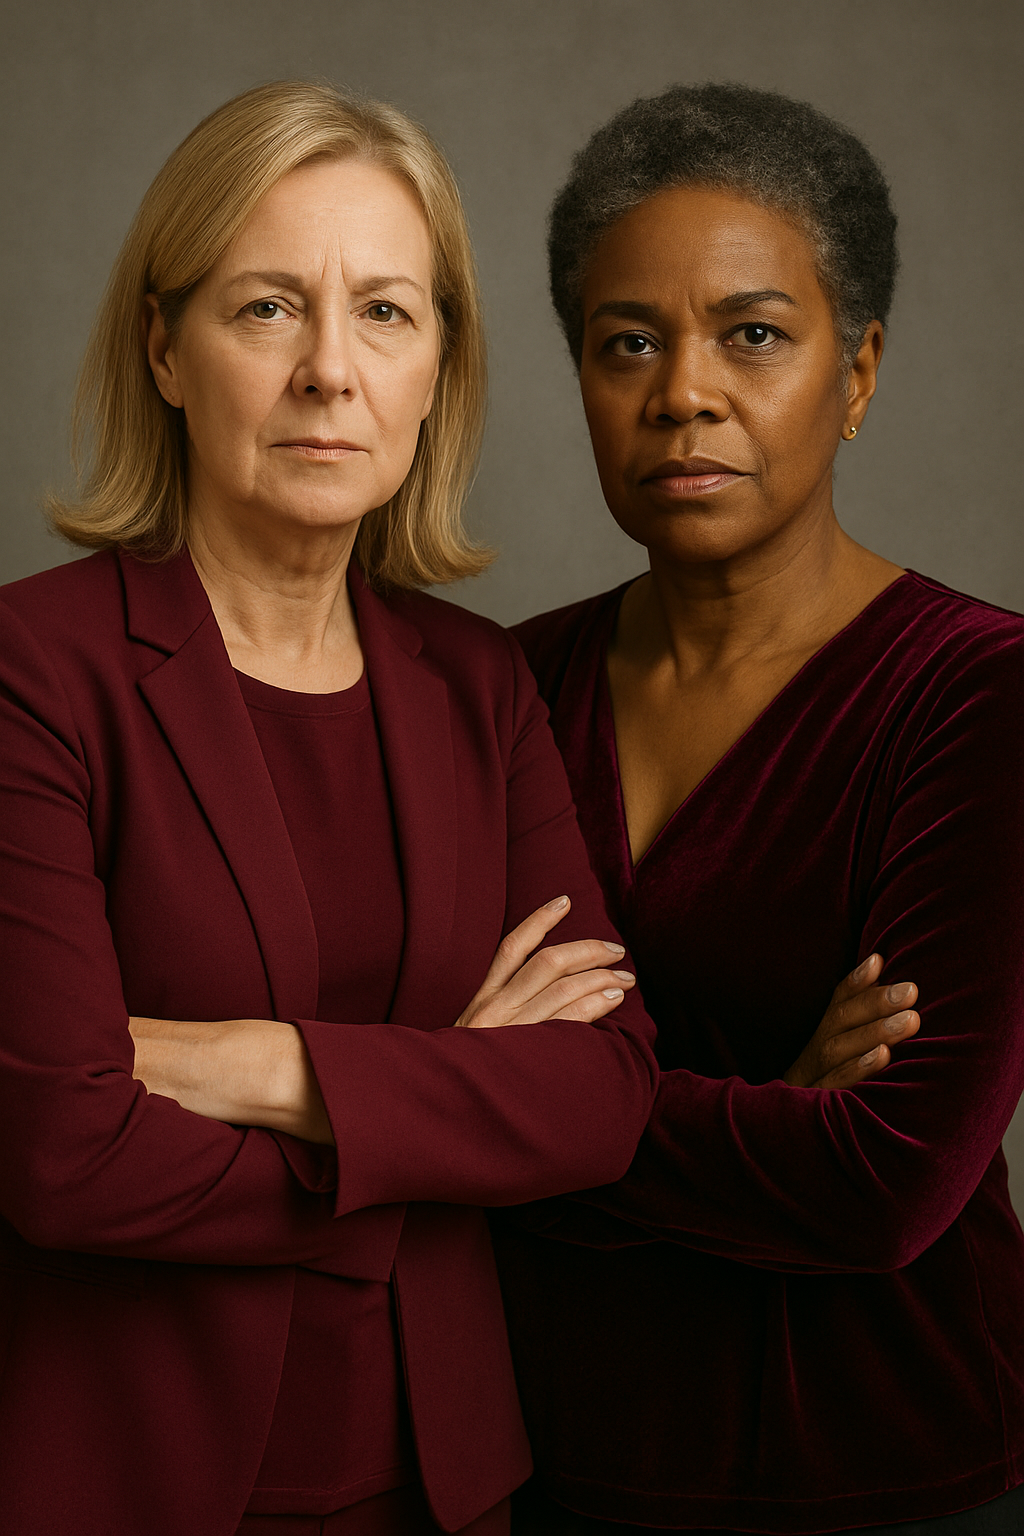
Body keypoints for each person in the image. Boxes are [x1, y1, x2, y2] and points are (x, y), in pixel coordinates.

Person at [0, 79, 920, 1536]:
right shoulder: (33, 672)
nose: (329, 371)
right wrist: (437, 1106)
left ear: (437, 368)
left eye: (384, 311)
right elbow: (57, 1160)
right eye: (264, 309)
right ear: (165, 348)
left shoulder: (475, 685)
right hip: (132, 1482)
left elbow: (602, 1091)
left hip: (449, 1487)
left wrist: (262, 1067)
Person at [500, 84, 1024, 1536]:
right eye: (627, 345)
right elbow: (403, 1096)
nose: (683, 392)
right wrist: (775, 1103)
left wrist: (520, 1112)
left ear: (856, 372)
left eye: (754, 335)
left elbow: (885, 1186)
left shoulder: (979, 695)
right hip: (543, 1469)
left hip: (892, 1474)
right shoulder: (492, 688)